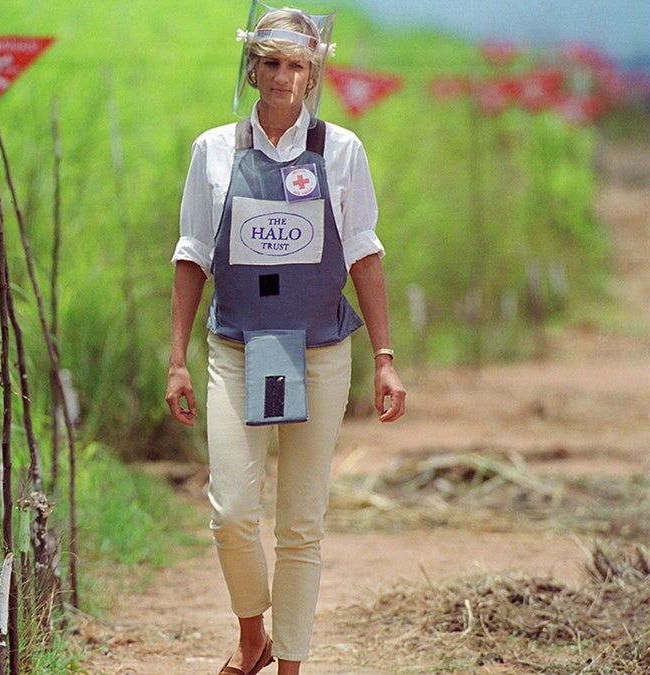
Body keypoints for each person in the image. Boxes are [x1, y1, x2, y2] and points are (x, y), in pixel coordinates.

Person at [164, 5, 406, 674]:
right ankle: (252, 633)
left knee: (302, 521)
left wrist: (384, 359)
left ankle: (291, 661)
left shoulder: (342, 151)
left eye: (295, 64)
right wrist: (177, 358)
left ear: (313, 72)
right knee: (232, 511)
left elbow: (365, 256)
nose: (281, 76)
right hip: (237, 348)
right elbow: (191, 255)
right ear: (251, 69)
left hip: (319, 350)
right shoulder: (212, 151)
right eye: (269, 62)